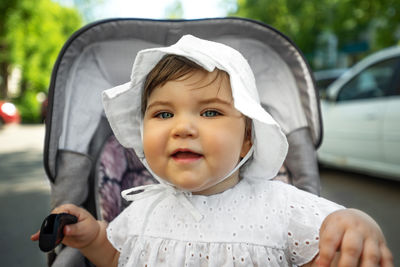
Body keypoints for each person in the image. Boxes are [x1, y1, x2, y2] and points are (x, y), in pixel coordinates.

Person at [32, 35, 393, 267]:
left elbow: (331, 238)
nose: (182, 127)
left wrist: (356, 224)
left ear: (247, 140)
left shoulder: (280, 206)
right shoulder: (143, 210)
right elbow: (115, 257)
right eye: (163, 113)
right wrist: (93, 236)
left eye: (210, 112)